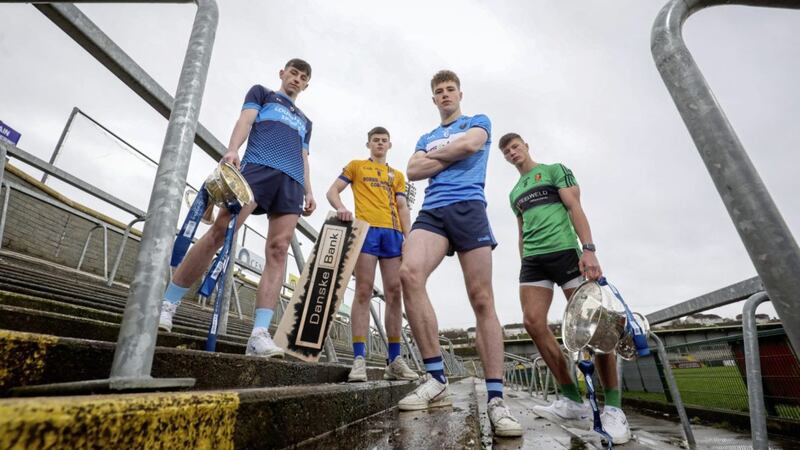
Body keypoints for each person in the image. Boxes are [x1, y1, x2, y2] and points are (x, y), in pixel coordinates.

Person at [159, 59, 316, 359]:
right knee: (220, 231)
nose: (297, 79)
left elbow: (304, 155)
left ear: (306, 85)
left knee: (279, 249)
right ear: (282, 74)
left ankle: (258, 334)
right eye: (293, 73)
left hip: (291, 180)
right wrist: (232, 149)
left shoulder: (306, 122)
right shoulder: (262, 94)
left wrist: (309, 189)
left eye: (303, 77)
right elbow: (245, 121)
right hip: (258, 167)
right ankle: (168, 303)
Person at [396, 70, 522, 438]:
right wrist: (451, 152)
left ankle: (496, 399)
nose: (445, 94)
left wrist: (441, 156)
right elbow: (412, 170)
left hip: (468, 206)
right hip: (433, 211)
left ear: (460, 94)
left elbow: (471, 145)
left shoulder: (477, 122)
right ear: (433, 99)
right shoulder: (426, 136)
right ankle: (435, 378)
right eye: (439, 91)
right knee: (409, 273)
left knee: (481, 299)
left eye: (450, 89)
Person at [499, 132, 630, 443]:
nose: (512, 152)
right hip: (533, 261)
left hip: (566, 254)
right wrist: (522, 261)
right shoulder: (514, 192)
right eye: (506, 151)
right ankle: (572, 400)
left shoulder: (555, 170)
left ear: (526, 145)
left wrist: (589, 249)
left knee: (595, 327)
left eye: (515, 146)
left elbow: (575, 208)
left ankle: (613, 408)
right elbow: (522, 231)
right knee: (533, 323)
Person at [326, 126, 419, 383]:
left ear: (389, 145)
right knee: (364, 291)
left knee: (394, 293)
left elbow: (402, 206)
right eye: (375, 140)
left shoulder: (397, 175)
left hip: (392, 234)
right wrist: (342, 208)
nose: (379, 144)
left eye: (384, 141)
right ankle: (359, 359)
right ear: (368, 144)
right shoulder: (356, 166)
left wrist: (408, 237)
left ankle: (395, 360)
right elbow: (332, 191)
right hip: (366, 231)